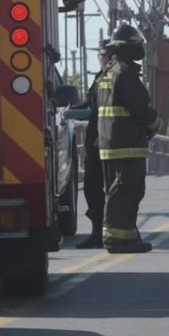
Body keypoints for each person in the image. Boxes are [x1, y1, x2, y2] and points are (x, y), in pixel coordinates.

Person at [95, 24, 160, 254]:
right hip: (127, 144)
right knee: (127, 191)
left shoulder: (106, 73)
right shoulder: (125, 73)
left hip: (108, 144)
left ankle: (128, 237)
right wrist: (154, 124)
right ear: (129, 47)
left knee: (119, 191)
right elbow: (140, 107)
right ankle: (117, 240)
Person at [75, 40, 110, 249]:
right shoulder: (100, 78)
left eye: (107, 55)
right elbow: (93, 104)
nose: (103, 58)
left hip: (104, 140)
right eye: (102, 55)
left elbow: (107, 108)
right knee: (92, 187)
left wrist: (100, 134)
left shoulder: (112, 78)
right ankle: (99, 231)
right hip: (96, 140)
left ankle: (108, 232)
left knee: (107, 188)